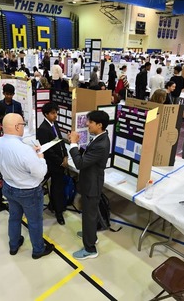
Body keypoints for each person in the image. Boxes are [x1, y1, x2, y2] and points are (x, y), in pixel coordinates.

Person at [0, 113, 53, 259]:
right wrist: (40, 158)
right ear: (17, 127)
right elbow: (41, 173)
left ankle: (14, 244)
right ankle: (38, 249)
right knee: (34, 221)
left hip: (9, 187)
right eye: (23, 125)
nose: (23, 128)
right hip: (28, 192)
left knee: (14, 216)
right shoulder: (24, 149)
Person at [68, 110, 110, 260]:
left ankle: (90, 248)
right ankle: (90, 235)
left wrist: (73, 144)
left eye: (90, 122)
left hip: (92, 185)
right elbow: (88, 156)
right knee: (89, 214)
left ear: (99, 125)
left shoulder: (102, 144)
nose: (87, 124)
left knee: (89, 216)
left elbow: (80, 163)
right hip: (90, 182)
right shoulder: (100, 138)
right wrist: (78, 146)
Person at [36, 102, 69, 225]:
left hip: (60, 161)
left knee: (58, 187)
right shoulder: (43, 129)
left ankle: (56, 205)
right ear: (46, 114)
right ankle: (58, 212)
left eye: (56, 113)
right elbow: (48, 150)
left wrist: (65, 155)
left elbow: (60, 141)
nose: (56, 115)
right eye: (53, 113)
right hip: (52, 164)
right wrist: (61, 161)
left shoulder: (54, 125)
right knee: (56, 188)